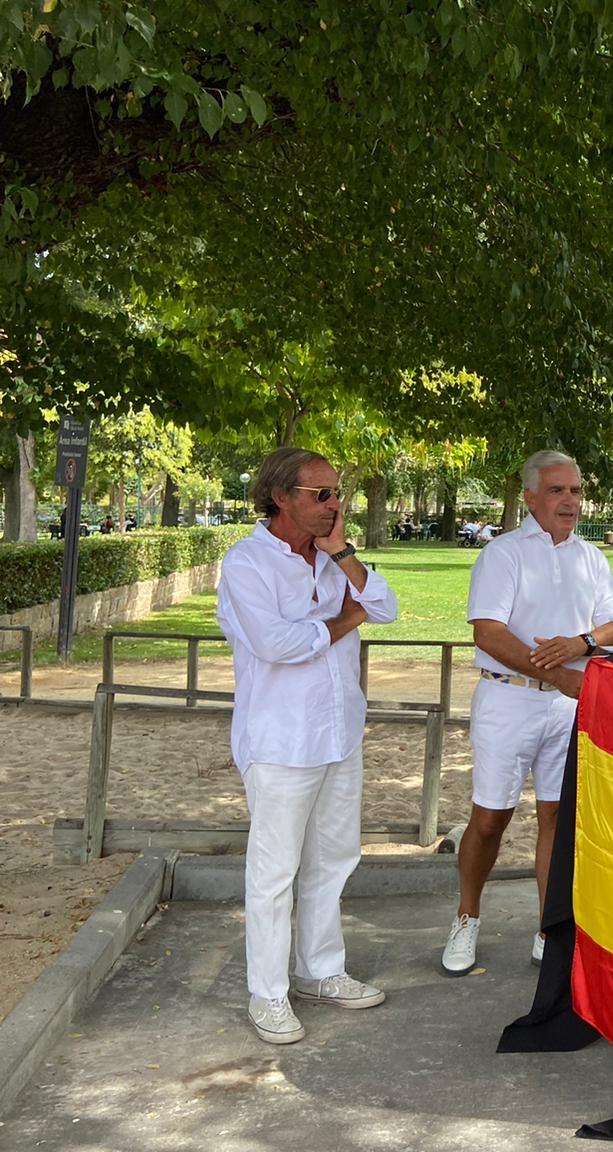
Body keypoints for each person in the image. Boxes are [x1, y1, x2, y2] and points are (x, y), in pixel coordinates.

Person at [216, 447, 399, 1045]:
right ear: (281, 496)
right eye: (321, 495)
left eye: (337, 494)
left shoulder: (330, 558)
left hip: (339, 731)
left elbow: (387, 607)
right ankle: (266, 993)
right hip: (280, 741)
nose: (334, 504)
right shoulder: (247, 564)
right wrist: (346, 620)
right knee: (275, 870)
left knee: (334, 858)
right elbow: (277, 644)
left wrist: (343, 555)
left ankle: (320, 970)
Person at [441, 451, 613, 976]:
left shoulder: (592, 557)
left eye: (575, 491)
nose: (570, 501)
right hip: (508, 699)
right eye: (557, 491)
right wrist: (557, 671)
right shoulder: (503, 554)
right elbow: (489, 632)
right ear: (529, 498)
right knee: (490, 818)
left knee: (556, 816)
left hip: (567, 707)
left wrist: (581, 641)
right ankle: (467, 917)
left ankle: (548, 927)